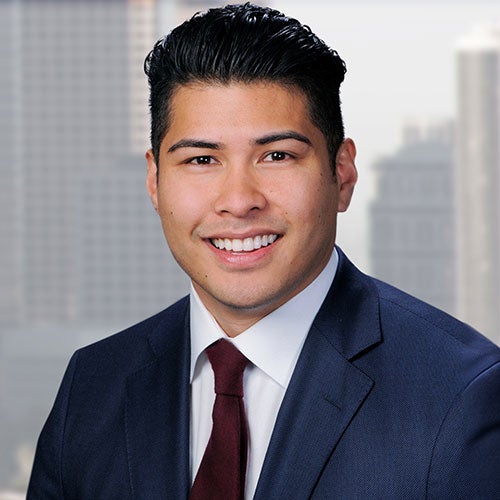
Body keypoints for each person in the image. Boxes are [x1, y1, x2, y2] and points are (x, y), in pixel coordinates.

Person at [28, 3, 500, 499]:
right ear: (154, 180)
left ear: (342, 173)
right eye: (201, 159)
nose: (239, 201)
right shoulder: (94, 386)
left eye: (277, 155)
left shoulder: (460, 399)